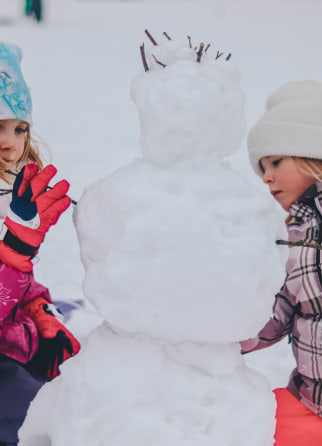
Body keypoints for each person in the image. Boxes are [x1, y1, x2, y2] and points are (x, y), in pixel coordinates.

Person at [0, 42, 80, 446]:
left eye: (19, 127)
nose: (9, 141)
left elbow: (19, 284)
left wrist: (38, 309)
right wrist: (15, 251)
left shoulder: (10, 193)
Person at [240, 80, 322, 446]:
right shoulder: (290, 236)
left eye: (276, 161)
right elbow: (279, 311)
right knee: (240, 427)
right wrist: (223, 334)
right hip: (310, 399)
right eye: (262, 168)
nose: (267, 177)